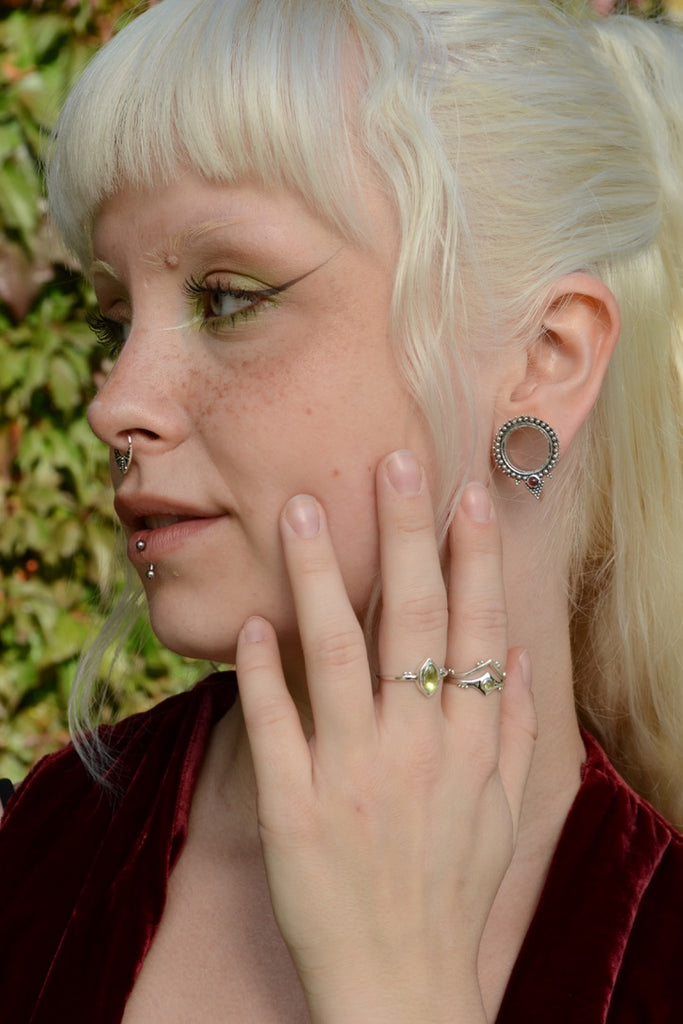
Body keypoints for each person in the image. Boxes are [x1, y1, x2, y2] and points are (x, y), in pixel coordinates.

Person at [1, 0, 682, 1020]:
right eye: (114, 320)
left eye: (228, 297)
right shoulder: (49, 840)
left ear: (546, 357)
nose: (116, 403)